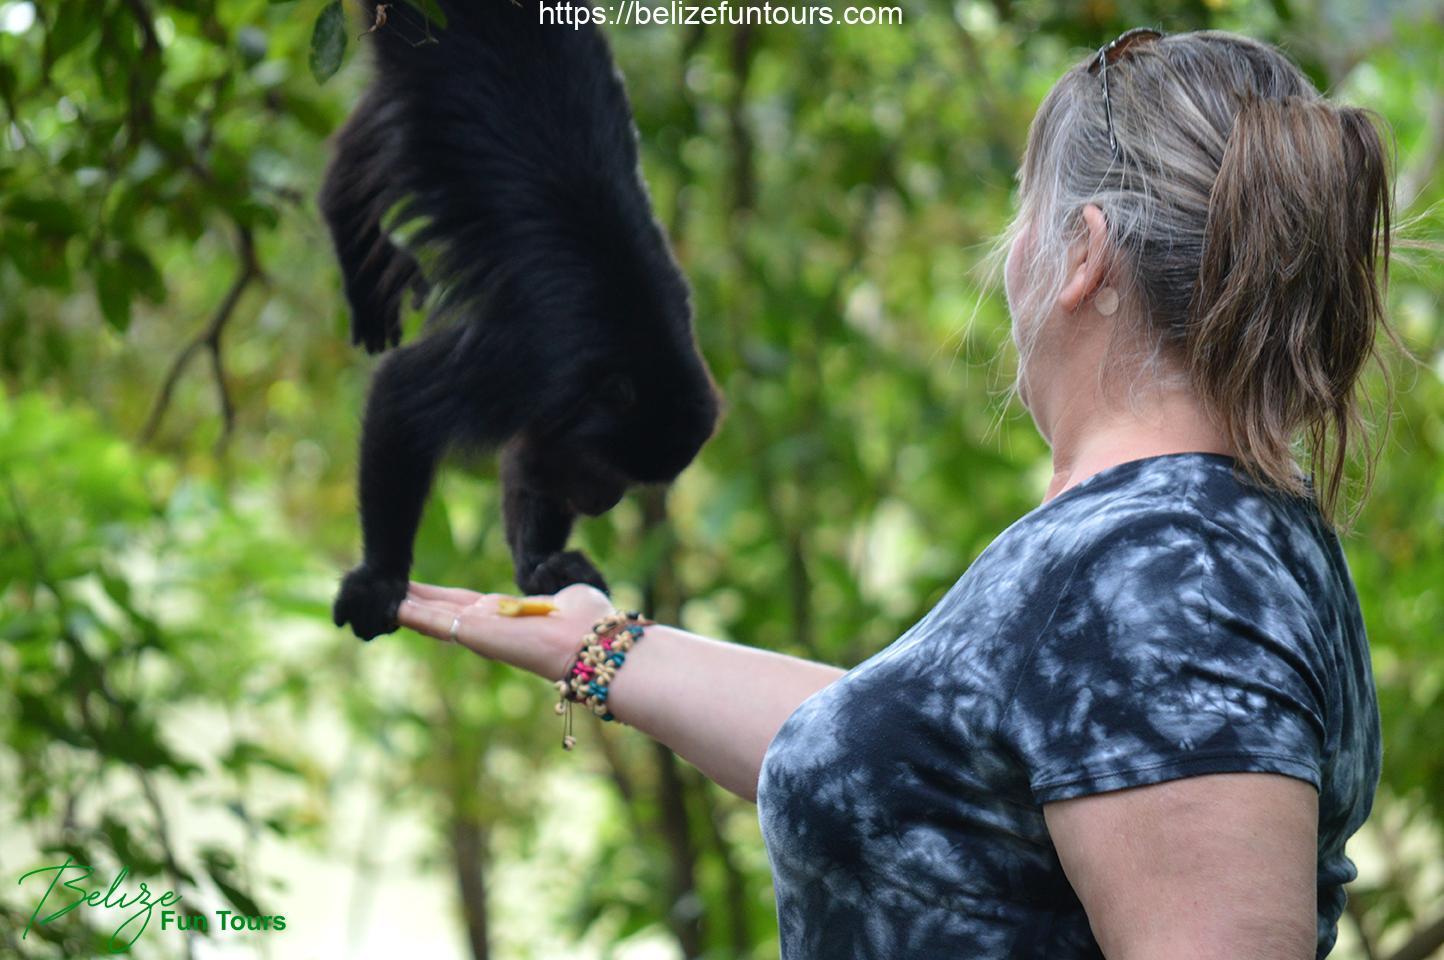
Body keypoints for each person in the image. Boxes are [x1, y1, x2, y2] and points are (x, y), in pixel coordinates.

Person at [397, 27, 1398, 959]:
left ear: (1083, 256)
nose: (1011, 252)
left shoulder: (1165, 582)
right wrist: (602, 647)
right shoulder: (1168, 548)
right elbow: (917, 767)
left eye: (1026, 211)